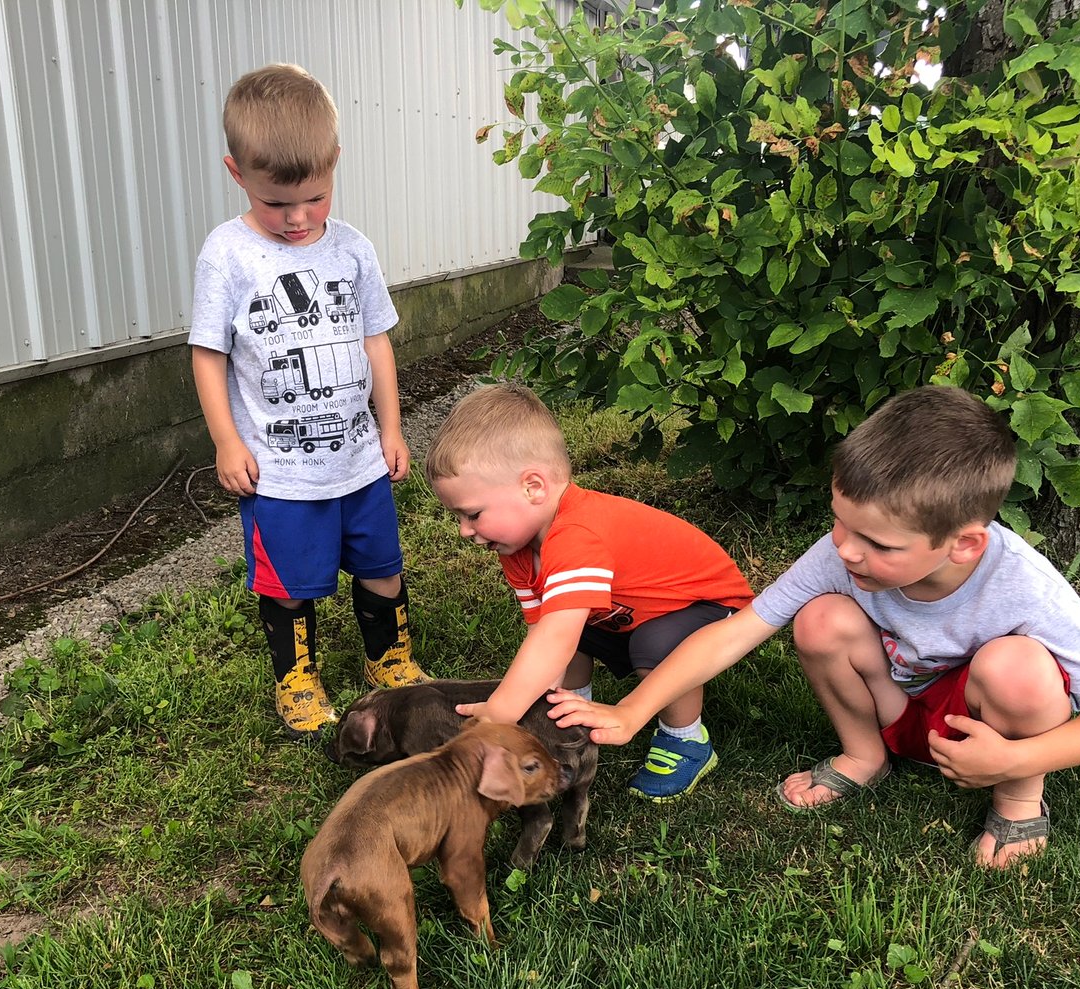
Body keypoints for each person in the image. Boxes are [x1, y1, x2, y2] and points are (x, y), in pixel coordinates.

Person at [548, 385, 1080, 867]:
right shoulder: (842, 553)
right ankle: (864, 757)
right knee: (818, 619)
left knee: (1019, 668)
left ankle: (1019, 800)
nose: (846, 550)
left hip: (982, 722)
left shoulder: (1025, 584)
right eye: (838, 522)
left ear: (964, 544)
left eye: (877, 543)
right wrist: (631, 712)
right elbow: (737, 631)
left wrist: (1014, 761)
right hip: (895, 703)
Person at [189, 63, 427, 738]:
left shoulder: (352, 250)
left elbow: (375, 342)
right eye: (276, 204)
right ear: (237, 173)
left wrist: (392, 428)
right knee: (288, 583)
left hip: (359, 461)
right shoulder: (227, 256)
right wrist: (227, 442)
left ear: (334, 165)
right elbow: (208, 355)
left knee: (382, 567)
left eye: (314, 199)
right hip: (281, 474)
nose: (297, 219)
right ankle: (298, 678)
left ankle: (392, 660)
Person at [424, 382, 755, 800]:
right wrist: (535, 701)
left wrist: (501, 713)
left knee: (653, 643)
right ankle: (570, 721)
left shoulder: (577, 533)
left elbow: (554, 638)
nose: (464, 531)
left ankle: (685, 739)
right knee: (565, 628)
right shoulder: (519, 550)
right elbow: (544, 635)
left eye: (472, 514)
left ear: (534, 487)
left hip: (710, 608)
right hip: (629, 610)